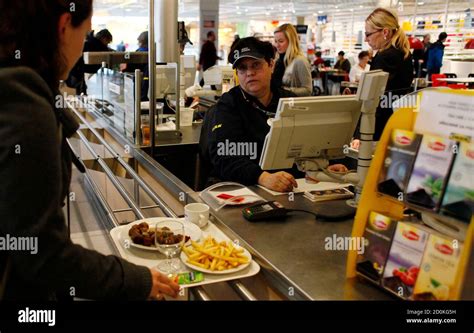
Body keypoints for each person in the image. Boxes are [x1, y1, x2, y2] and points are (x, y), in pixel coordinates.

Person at [0, 0, 179, 301]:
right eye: (83, 33)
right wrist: (135, 280)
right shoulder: (23, 103)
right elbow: (41, 253)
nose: (82, 45)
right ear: (63, 25)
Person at [200, 37, 346, 193]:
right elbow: (224, 157)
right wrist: (262, 177)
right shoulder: (228, 106)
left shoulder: (292, 102)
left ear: (271, 65)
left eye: (256, 65)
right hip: (242, 190)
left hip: (290, 189)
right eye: (242, 68)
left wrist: (322, 168)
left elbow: (307, 147)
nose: (249, 73)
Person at [353, 7, 413, 147]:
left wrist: (360, 134)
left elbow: (374, 99)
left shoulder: (383, 57)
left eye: (368, 34)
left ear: (385, 32)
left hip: (377, 129)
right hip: (397, 123)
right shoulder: (404, 54)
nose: (366, 39)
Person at [272, 23, 312, 96]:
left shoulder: (300, 61)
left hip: (292, 105)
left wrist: (283, 90)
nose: (277, 45)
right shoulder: (278, 60)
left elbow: (308, 90)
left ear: (291, 41)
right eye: (276, 41)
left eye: (281, 41)